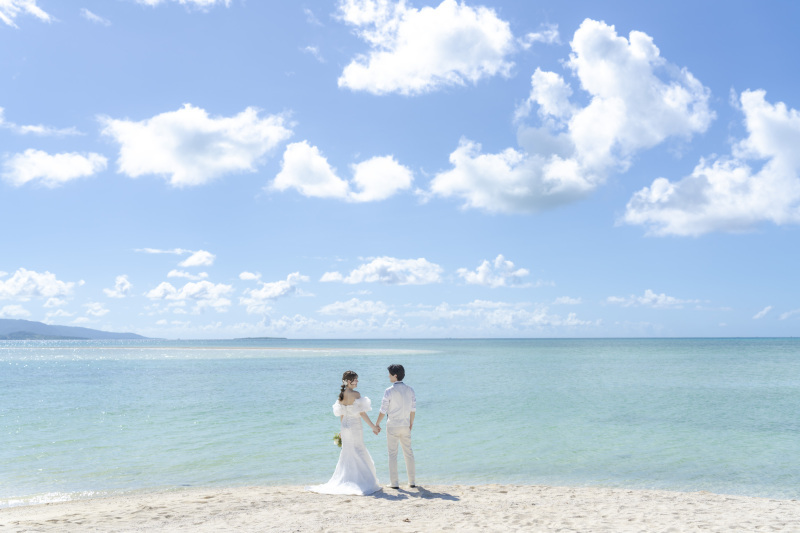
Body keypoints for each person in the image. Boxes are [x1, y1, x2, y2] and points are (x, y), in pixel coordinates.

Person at [307, 370, 382, 495]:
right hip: (355, 426)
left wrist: (341, 429)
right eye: (355, 379)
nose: (357, 382)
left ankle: (349, 479)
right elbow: (362, 413)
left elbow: (342, 414)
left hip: (345, 427)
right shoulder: (356, 394)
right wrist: (373, 427)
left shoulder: (341, 394)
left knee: (347, 452)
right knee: (359, 449)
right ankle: (362, 481)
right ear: (348, 381)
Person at [375, 364, 416, 489]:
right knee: (408, 453)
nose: (388, 376)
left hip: (392, 425)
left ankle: (394, 483)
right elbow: (413, 410)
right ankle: (412, 482)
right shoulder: (410, 390)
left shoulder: (389, 391)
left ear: (395, 375)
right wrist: (411, 423)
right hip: (405, 425)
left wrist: (377, 424)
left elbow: (383, 410)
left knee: (392, 454)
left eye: (390, 374)